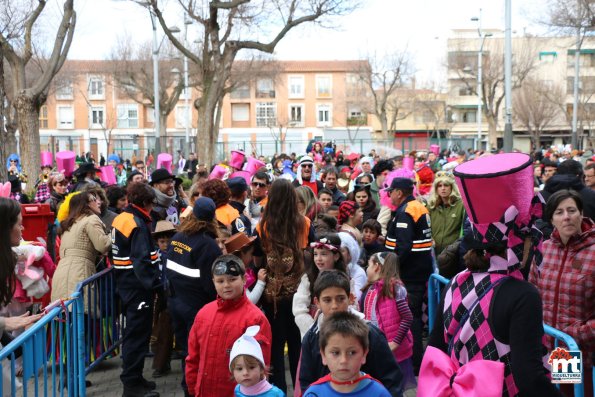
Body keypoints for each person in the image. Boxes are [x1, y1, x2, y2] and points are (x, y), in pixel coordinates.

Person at [529, 189, 594, 397]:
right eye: (559, 212)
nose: (566, 216)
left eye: (571, 210)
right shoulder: (544, 249)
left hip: (582, 352)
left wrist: (576, 333)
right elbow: (532, 293)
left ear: (581, 214)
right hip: (549, 350)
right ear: (552, 219)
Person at [298, 270, 403, 396]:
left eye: (340, 299)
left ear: (351, 298)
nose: (334, 306)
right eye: (327, 300)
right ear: (317, 302)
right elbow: (306, 381)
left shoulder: (371, 334)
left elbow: (391, 379)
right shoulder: (311, 338)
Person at [254, 179, 314, 394]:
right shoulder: (304, 223)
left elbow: (257, 260)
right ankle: (302, 389)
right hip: (300, 294)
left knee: (276, 346)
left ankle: (278, 391)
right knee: (299, 344)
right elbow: (313, 255)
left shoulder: (262, 226)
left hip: (273, 296)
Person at [185, 255, 272, 397]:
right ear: (213, 282)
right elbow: (193, 358)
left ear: (244, 279)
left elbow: (261, 367)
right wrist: (193, 388)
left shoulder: (255, 319)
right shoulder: (203, 314)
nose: (226, 285)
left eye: (232, 279)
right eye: (220, 281)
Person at [165, 197, 222, 396]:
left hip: (175, 302)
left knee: (186, 351)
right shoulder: (208, 245)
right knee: (196, 354)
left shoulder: (177, 237)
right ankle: (192, 389)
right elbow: (210, 283)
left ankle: (187, 387)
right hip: (195, 309)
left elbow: (169, 269)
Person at [111, 182, 161, 397]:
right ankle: (131, 386)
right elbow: (141, 261)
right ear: (145, 203)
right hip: (138, 287)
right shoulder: (138, 223)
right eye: (152, 204)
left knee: (135, 334)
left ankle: (136, 378)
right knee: (137, 336)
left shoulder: (122, 217)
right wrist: (156, 285)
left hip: (125, 283)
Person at [384, 177, 432, 374]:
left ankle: (414, 363)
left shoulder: (405, 212)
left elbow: (403, 247)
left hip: (410, 275)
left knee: (409, 318)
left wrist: (390, 269)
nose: (389, 195)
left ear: (399, 192)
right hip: (419, 271)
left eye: (390, 191)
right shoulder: (417, 206)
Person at [303, 311, 392, 397]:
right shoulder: (313, 394)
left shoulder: (379, 393)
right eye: (335, 353)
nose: (344, 360)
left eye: (352, 352)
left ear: (364, 354)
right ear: (323, 356)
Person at [361, 252, 416, 391]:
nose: (366, 269)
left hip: (393, 350)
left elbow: (407, 317)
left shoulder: (395, 288)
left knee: (393, 386)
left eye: (368, 265)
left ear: (377, 267)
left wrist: (395, 342)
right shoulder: (371, 288)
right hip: (376, 346)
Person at [51, 191, 111, 302]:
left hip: (61, 274)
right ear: (86, 204)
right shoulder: (91, 219)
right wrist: (114, 233)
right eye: (94, 199)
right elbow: (103, 245)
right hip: (80, 273)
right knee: (82, 313)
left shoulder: (68, 224)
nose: (99, 202)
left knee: (65, 314)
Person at [0, 198, 43, 338]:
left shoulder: (8, 258)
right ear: (6, 228)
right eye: (20, 224)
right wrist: (5, 323)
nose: (23, 228)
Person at [293, 234, 348, 339]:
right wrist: (314, 330)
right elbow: (299, 309)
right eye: (315, 254)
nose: (318, 259)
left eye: (323, 254)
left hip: (339, 333)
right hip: (312, 333)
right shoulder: (308, 278)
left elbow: (350, 306)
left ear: (336, 256)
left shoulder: (345, 280)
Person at [150, 220, 177, 379]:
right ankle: (161, 364)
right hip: (162, 295)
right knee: (162, 329)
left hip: (176, 294)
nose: (166, 244)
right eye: (162, 241)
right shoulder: (155, 256)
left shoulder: (178, 254)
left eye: (169, 241)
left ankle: (164, 362)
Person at [229, 325, 284, 397]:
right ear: (233, 371)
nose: (245, 373)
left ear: (261, 368)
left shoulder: (275, 394)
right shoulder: (238, 390)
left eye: (251, 367)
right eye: (239, 369)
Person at [426, 171, 465, 256]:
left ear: (452, 187)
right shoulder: (431, 206)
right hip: (434, 252)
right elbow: (425, 226)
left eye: (446, 185)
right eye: (440, 186)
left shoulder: (461, 205)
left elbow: (465, 230)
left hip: (453, 253)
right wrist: (430, 238)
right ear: (436, 189)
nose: (443, 188)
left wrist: (456, 246)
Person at [224, 232, 266, 305]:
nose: (253, 257)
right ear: (243, 253)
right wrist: (261, 282)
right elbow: (249, 301)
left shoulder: (236, 268)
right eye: (251, 253)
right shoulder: (236, 274)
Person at [337, 232, 366, 302]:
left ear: (350, 253)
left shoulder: (358, 272)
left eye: (342, 251)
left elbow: (355, 298)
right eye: (336, 251)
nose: (338, 254)